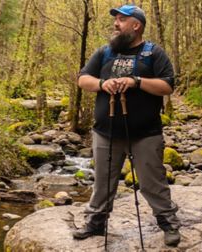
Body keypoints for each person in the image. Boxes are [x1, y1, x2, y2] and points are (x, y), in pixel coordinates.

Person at [72, 4, 181, 247]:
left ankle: (168, 223)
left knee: (153, 182)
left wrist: (136, 81)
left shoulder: (154, 53)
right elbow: (82, 79)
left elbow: (167, 86)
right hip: (105, 133)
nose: (115, 24)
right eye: (116, 20)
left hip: (146, 134)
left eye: (121, 19)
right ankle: (95, 223)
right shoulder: (104, 52)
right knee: (102, 182)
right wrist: (103, 84)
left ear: (136, 25)